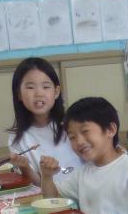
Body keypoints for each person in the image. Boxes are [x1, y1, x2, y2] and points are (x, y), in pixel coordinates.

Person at [37, 97, 128, 214]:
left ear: (110, 130)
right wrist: (47, 176)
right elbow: (53, 201)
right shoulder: (83, 172)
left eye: (85, 131)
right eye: (72, 137)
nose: (79, 142)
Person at [5, 57, 82, 185]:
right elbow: (38, 185)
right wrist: (25, 167)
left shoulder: (72, 124)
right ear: (18, 93)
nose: (39, 93)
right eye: (30, 87)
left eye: (46, 87)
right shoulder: (17, 138)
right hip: (51, 200)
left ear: (56, 92)